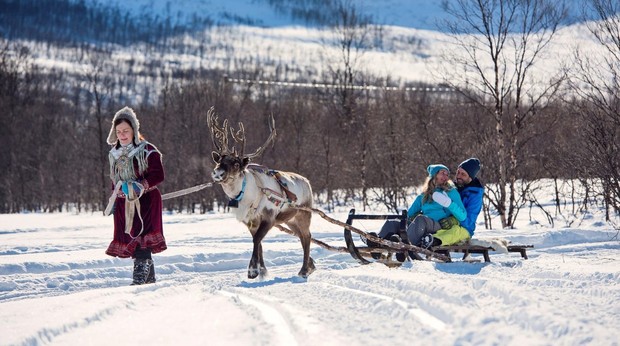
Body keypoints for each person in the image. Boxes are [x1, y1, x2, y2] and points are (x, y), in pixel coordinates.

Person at [103, 107, 166, 285]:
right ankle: (149, 281)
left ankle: (139, 281)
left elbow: (158, 174)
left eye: (126, 131)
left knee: (141, 241)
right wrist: (115, 196)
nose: (122, 135)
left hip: (146, 203)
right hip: (124, 204)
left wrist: (141, 185)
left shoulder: (147, 150)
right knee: (133, 240)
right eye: (119, 131)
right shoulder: (114, 154)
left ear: (134, 131)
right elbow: (114, 179)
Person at [376, 164, 467, 251]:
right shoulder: (424, 195)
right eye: (443, 173)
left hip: (440, 225)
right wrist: (409, 218)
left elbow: (463, 215)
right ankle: (378, 242)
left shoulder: (451, 192)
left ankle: (405, 246)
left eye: (447, 174)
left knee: (421, 220)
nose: (446, 177)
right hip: (424, 225)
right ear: (434, 175)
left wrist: (450, 204)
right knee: (393, 223)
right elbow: (409, 214)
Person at [430, 157, 484, 247]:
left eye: (463, 174)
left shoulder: (475, 195)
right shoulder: (452, 188)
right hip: (444, 224)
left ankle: (433, 240)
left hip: (464, 229)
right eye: (458, 172)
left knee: (455, 233)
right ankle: (424, 238)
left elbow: (470, 220)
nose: (458, 176)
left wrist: (455, 221)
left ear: (470, 177)